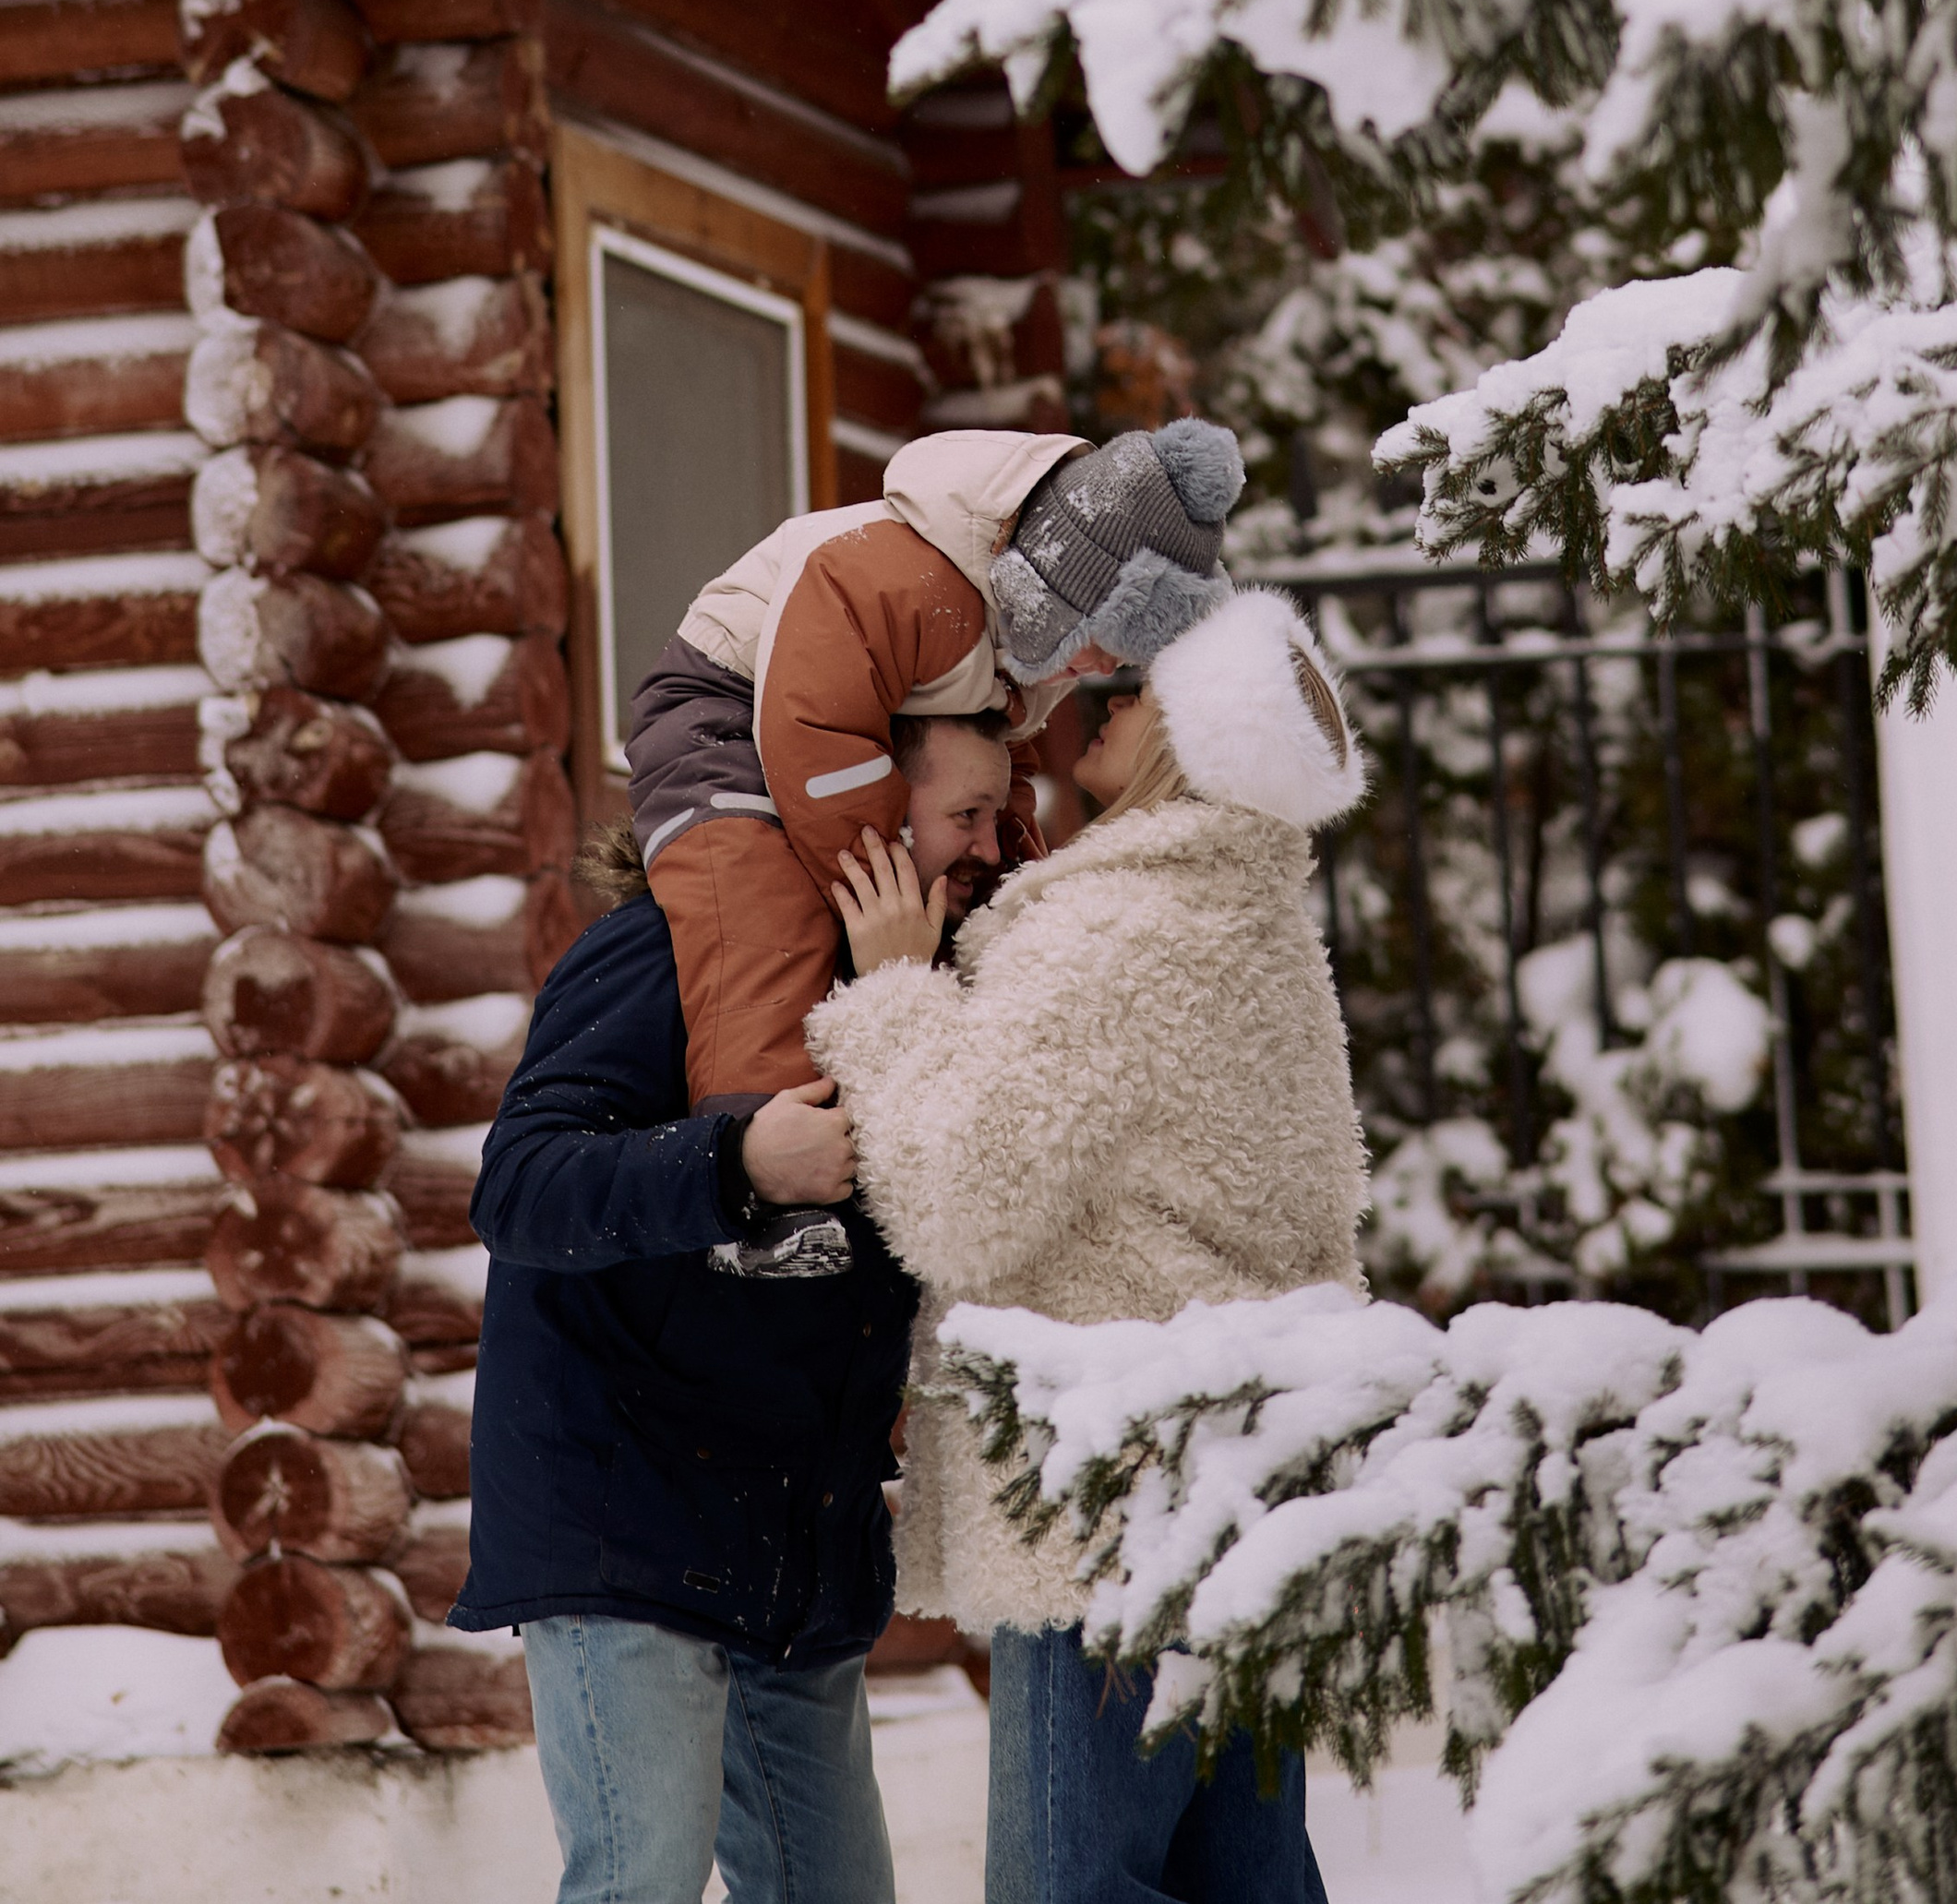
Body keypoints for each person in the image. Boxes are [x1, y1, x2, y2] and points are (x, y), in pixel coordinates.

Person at [811, 585, 1371, 1904]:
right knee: (1251, 1881)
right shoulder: (1264, 930)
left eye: (1132, 690)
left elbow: (955, 1191)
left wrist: (892, 992)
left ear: (1190, 733)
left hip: (1107, 1506)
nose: (1096, 702)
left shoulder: (1118, 924)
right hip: (1248, 1496)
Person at [450, 705, 1024, 1904]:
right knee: (638, 1881)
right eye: (963, 813)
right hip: (627, 1511)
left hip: (791, 1548)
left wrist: (899, 1005)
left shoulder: (935, 987)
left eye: (1000, 812)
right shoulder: (681, 941)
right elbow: (520, 1184)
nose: (991, 841)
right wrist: (736, 1164)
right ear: (869, 813)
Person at [629, 418, 1244, 1121]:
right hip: (722, 710)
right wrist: (885, 878)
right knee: (764, 922)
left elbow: (1000, 762)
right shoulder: (904, 579)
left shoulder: (1034, 646)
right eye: (1102, 642)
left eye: (1124, 657)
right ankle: (761, 1152)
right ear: (1056, 586)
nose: (1103, 671)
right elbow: (816, 725)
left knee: (969, 916)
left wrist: (1017, 881)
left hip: (855, 727)